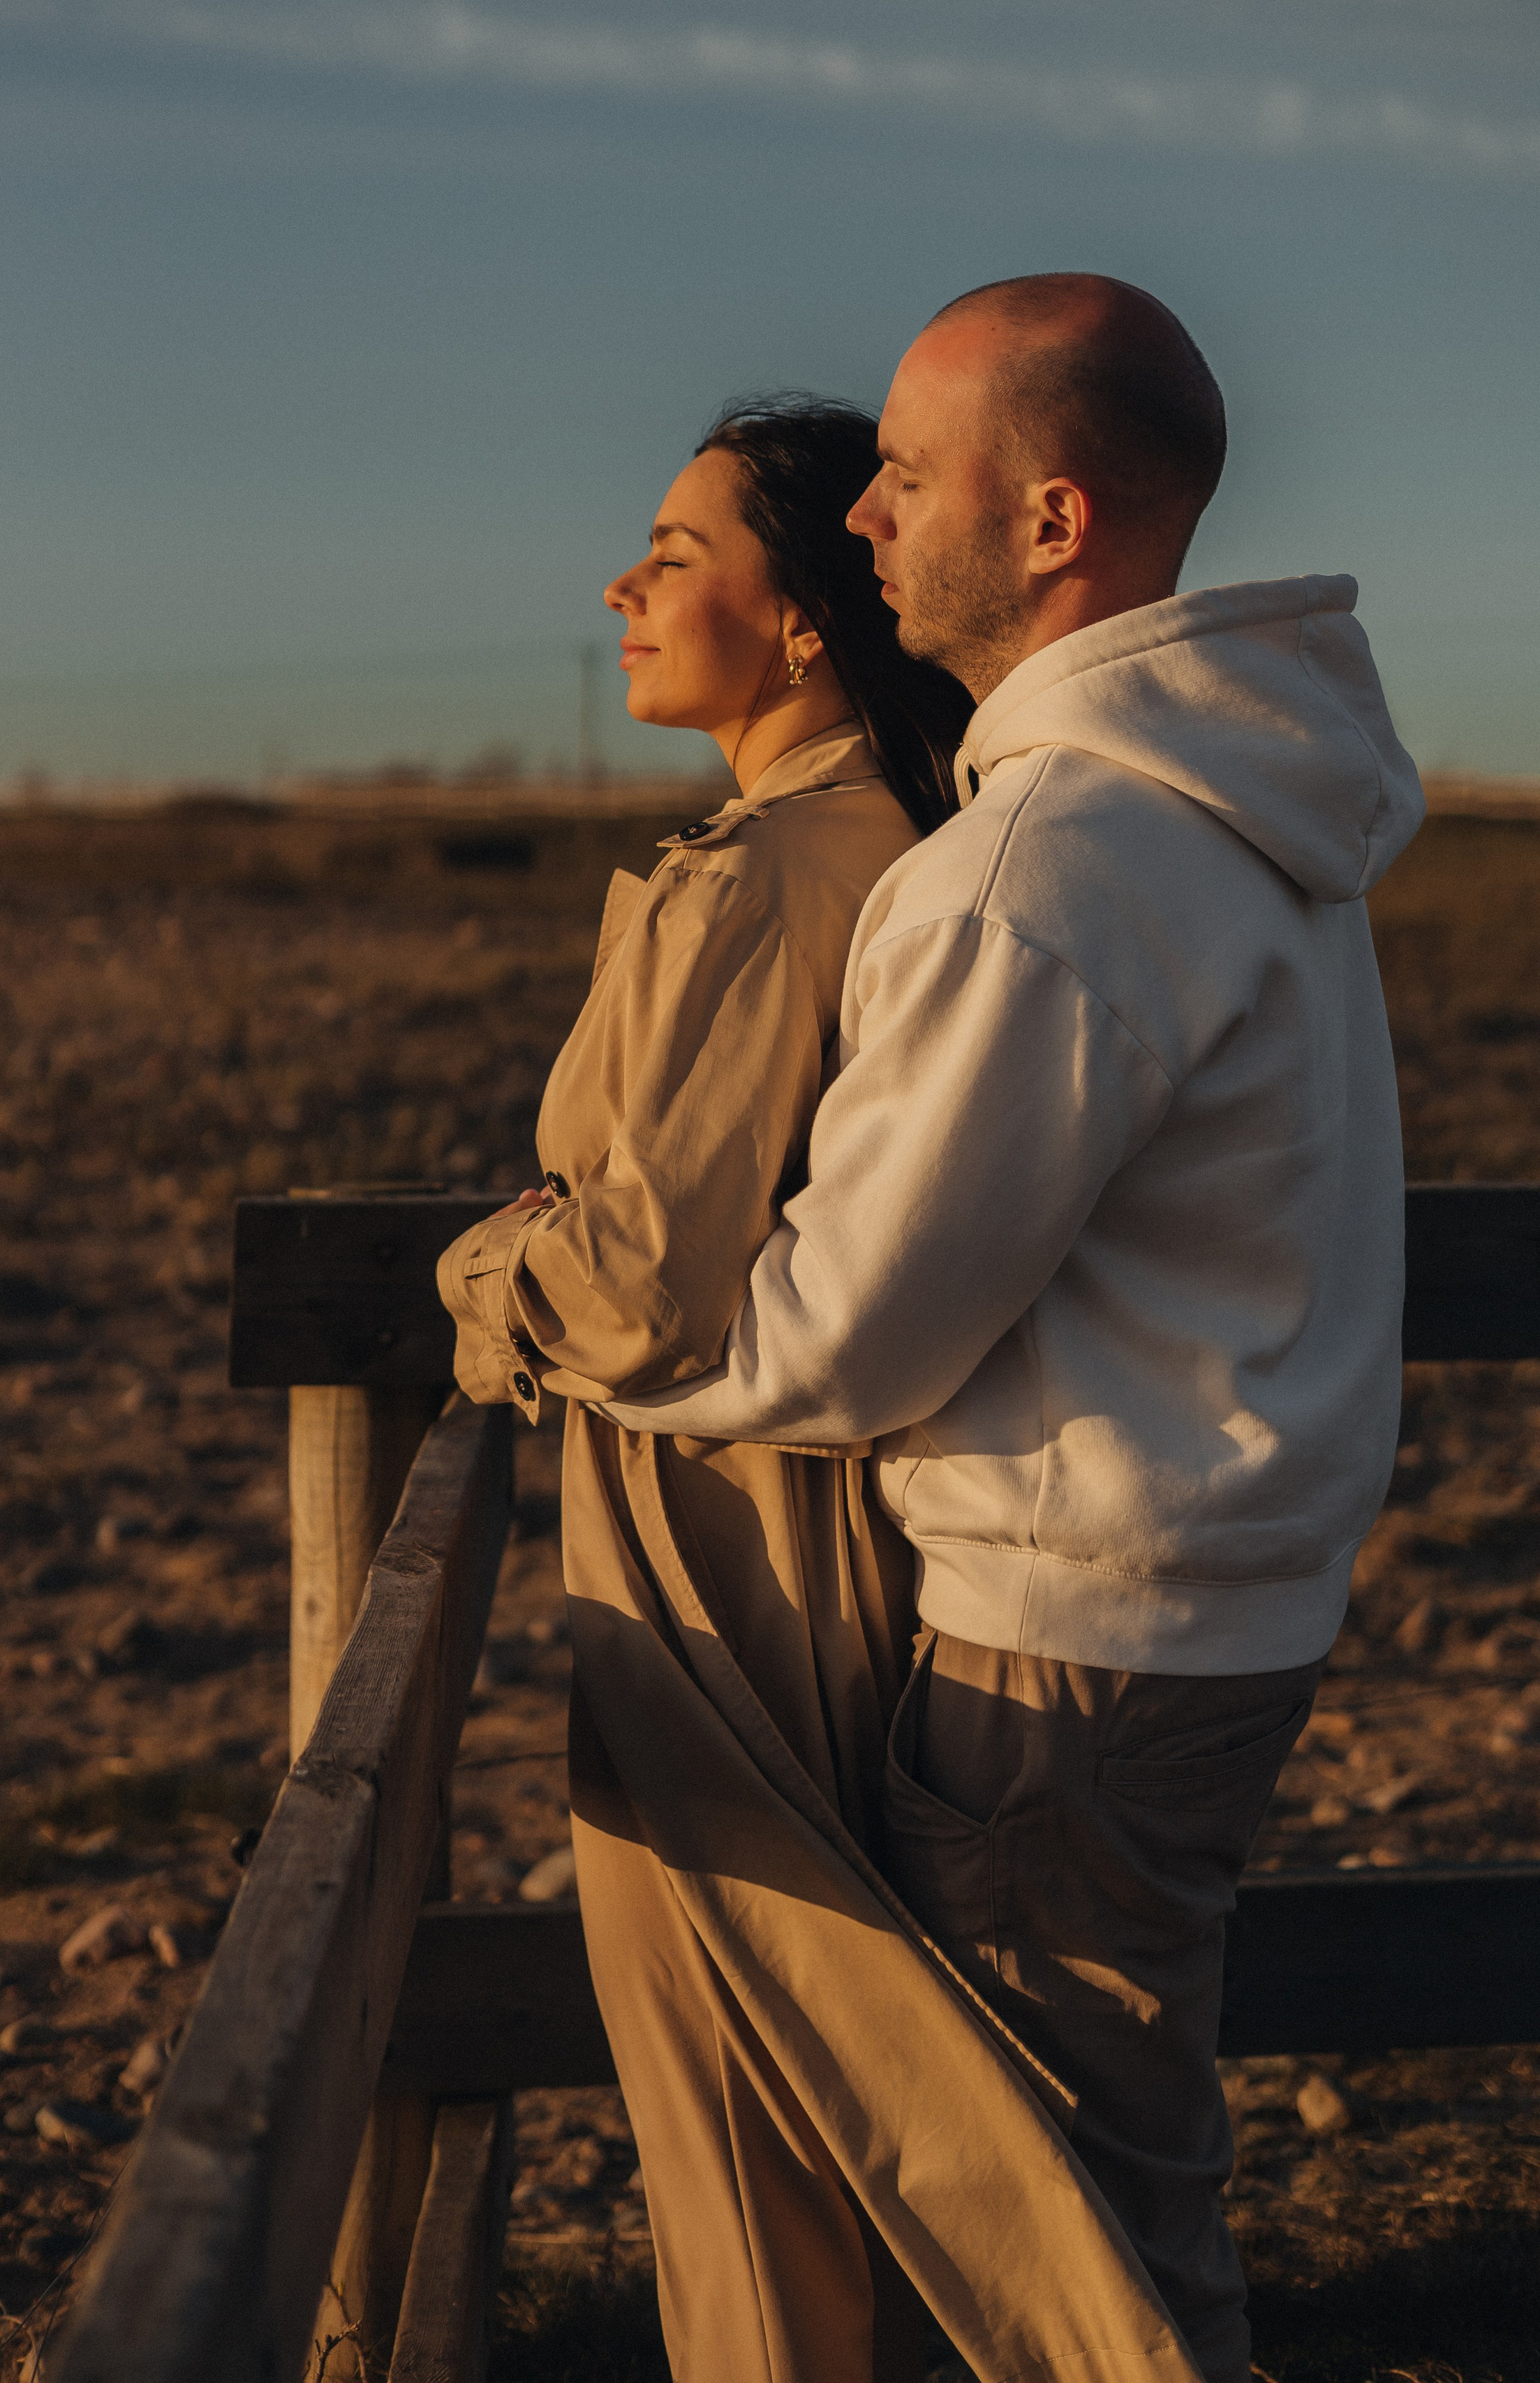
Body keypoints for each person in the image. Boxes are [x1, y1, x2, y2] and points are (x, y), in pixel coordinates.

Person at [600, 276, 1426, 2383]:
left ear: (1051, 522)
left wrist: (568, 1318)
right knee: (1110, 2172)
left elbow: (839, 1339)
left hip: (1072, 1655)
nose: (862, 522)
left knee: (1072, 2242)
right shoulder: (1242, 812)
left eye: (900, 473)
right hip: (1206, 1607)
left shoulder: (1047, 865)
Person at [439, 397, 1210, 2383]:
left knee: (744, 2128)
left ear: (800, 624)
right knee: (855, 2103)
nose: (624, 587)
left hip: (711, 1573)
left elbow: (629, 1292)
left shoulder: (755, 876)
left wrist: (483, 1268)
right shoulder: (917, 833)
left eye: (677, 555)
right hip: (867, 1551)